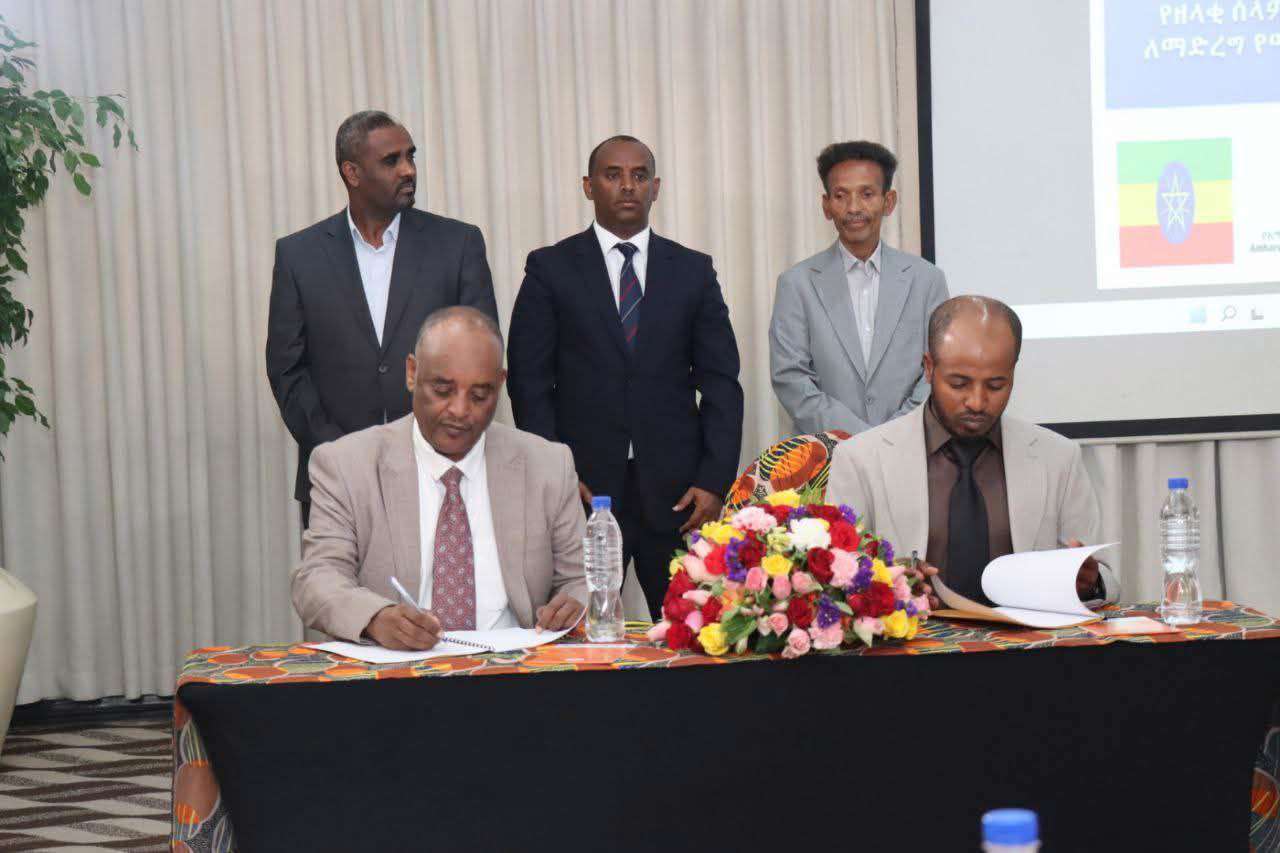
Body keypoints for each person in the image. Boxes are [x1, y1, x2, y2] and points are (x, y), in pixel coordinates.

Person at [506, 135, 744, 617]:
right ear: (588, 186)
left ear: (656, 188)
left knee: (690, 630)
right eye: (613, 175)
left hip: (678, 495)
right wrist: (557, 475)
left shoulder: (693, 271)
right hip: (584, 491)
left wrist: (714, 481)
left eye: (639, 176)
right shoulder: (551, 269)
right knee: (580, 629)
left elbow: (721, 382)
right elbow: (529, 384)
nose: (627, 186)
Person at [291, 307, 585, 649]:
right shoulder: (347, 465)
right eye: (443, 390)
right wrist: (375, 619)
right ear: (412, 373)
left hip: (514, 669)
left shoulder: (548, 465)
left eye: (479, 395)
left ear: (500, 385)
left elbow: (582, 580)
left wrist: (576, 604)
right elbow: (318, 579)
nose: (460, 410)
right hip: (397, 671)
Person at [267, 110, 498, 526]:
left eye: (411, 156)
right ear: (352, 173)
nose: (408, 169)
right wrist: (339, 453)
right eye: (391, 160)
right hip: (338, 480)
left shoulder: (458, 244)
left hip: (443, 473)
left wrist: (441, 444)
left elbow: (481, 357)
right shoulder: (299, 255)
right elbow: (287, 369)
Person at [825, 296, 1119, 606]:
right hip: (915, 635)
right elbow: (835, 582)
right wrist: (888, 584)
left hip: (1025, 636)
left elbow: (1106, 580)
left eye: (995, 386)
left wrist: (1089, 583)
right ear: (929, 368)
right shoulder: (860, 460)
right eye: (959, 384)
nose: (977, 402)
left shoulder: (1058, 458)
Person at [770, 141, 949, 436]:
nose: (853, 208)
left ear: (888, 201)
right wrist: (862, 441)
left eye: (867, 194)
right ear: (826, 205)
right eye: (841, 196)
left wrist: (893, 437)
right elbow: (791, 378)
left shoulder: (927, 280)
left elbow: (938, 370)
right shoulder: (796, 284)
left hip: (910, 446)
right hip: (828, 453)